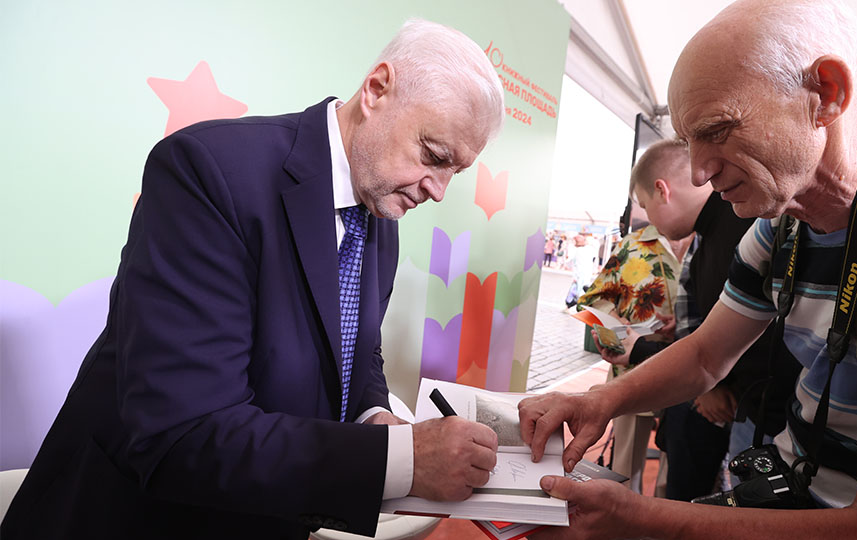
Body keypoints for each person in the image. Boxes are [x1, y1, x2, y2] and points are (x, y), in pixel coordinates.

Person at [2, 19, 504, 540]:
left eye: (454, 171)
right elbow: (185, 433)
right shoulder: (208, 173)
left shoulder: (381, 210)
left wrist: (373, 415)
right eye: (433, 156)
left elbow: (357, 351)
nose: (438, 190)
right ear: (377, 89)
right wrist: (399, 459)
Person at [518, 0, 857, 537]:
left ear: (827, 94)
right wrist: (600, 401)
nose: (699, 173)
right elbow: (706, 355)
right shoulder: (782, 226)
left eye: (718, 130)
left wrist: (638, 518)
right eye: (690, 142)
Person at [602, 139, 784, 502]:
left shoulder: (741, 227)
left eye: (645, 206)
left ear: (662, 190)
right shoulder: (713, 232)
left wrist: (710, 384)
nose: (650, 222)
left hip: (760, 413)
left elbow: (741, 338)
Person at [576, 142, 695, 494]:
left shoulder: (709, 243)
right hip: (632, 375)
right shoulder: (633, 245)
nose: (646, 212)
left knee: (678, 471)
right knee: (625, 469)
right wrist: (615, 330)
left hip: (689, 376)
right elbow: (591, 303)